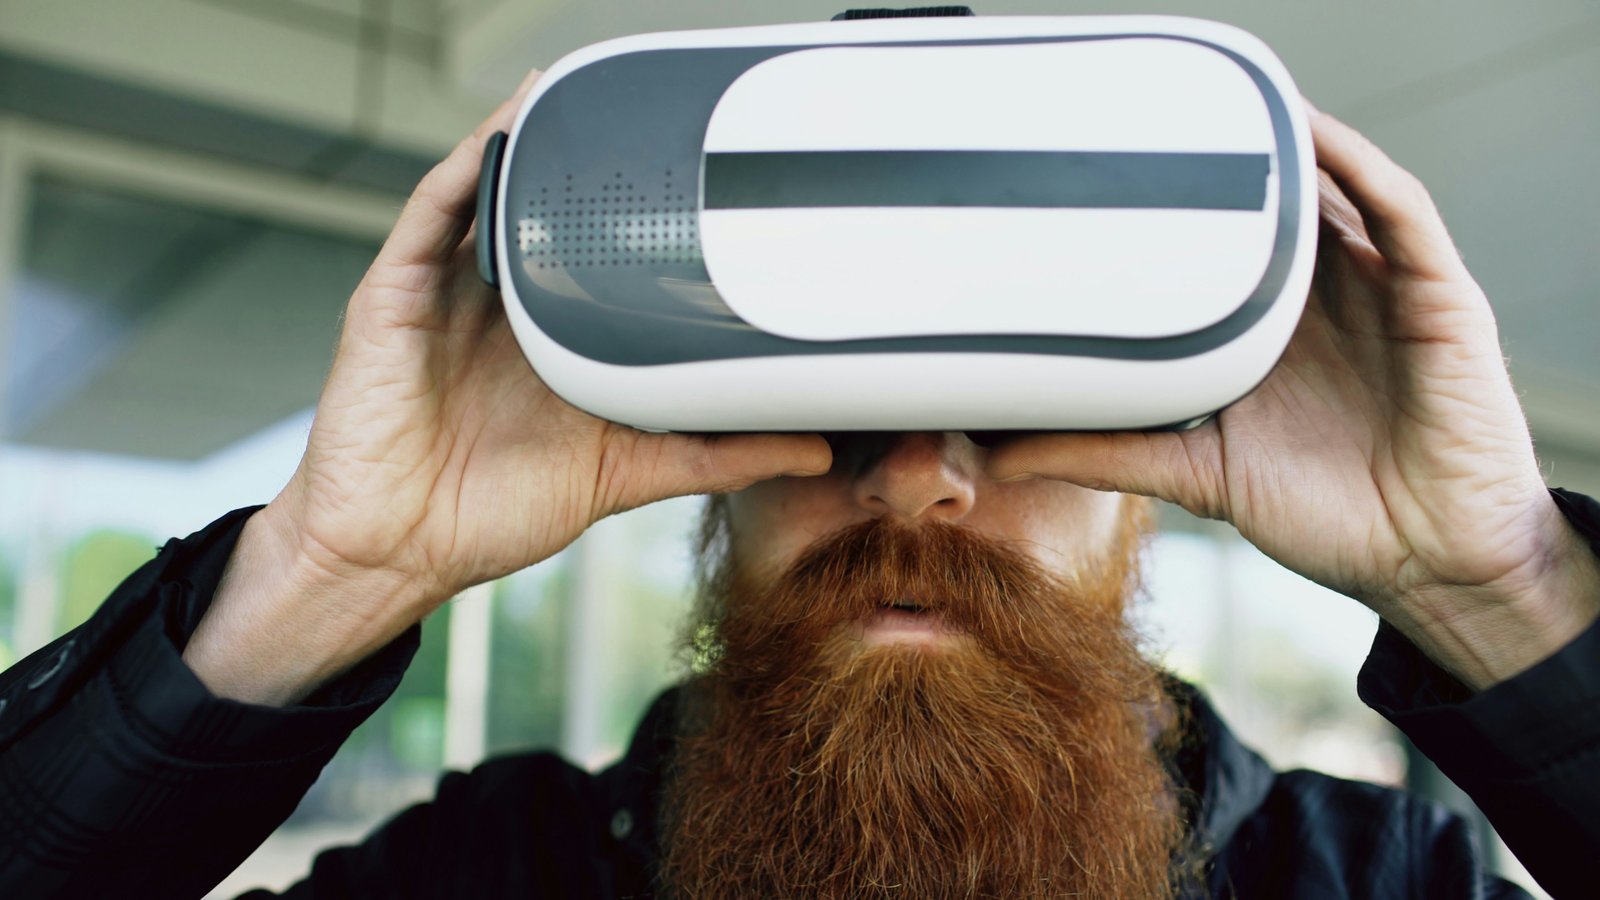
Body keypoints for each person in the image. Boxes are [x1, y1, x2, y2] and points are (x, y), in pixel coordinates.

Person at [0, 64, 1597, 899]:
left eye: (1022, 412)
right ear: (702, 475)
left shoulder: (1379, 883)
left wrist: (1500, 587)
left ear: (1165, 480)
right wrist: (324, 575)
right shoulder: (494, 873)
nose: (914, 488)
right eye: (822, 418)